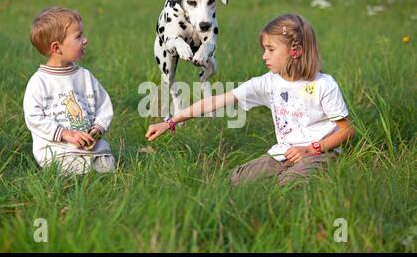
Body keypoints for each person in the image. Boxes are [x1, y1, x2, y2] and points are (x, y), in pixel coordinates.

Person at [145, 13, 355, 185]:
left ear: (296, 51)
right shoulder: (269, 82)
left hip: (320, 153)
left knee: (289, 183)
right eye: (264, 49)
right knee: (237, 180)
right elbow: (215, 102)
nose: (264, 56)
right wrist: (170, 122)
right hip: (284, 153)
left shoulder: (323, 85)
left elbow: (347, 130)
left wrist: (311, 149)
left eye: (271, 50)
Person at [24, 7, 115, 175]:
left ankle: (92, 163)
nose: (85, 40)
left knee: (107, 164)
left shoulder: (85, 77)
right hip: (56, 149)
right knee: (70, 166)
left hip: (89, 146)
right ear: (57, 48)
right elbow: (34, 118)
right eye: (78, 36)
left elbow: (104, 105)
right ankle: (77, 168)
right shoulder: (39, 82)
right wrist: (66, 133)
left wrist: (97, 129)